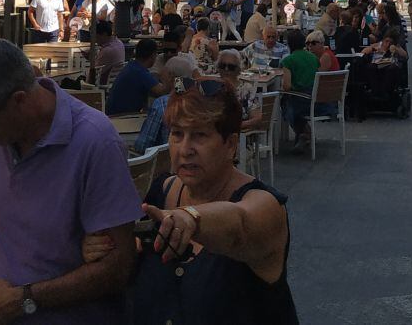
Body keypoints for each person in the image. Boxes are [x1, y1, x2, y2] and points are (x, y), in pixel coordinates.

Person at [0, 39, 141, 324]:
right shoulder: (0, 136)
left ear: (19, 101)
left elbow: (118, 267)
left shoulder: (94, 141)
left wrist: (25, 298)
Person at [85, 77, 299, 325]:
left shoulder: (265, 205)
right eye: (177, 133)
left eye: (200, 135)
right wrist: (102, 248)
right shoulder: (161, 191)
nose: (185, 149)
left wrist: (190, 218)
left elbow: (239, 224)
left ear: (230, 145)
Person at [106, 38, 169, 115]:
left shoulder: (132, 66)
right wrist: (168, 76)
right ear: (153, 55)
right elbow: (162, 92)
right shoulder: (140, 72)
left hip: (113, 112)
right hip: (121, 117)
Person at [279, 29, 318, 151]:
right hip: (318, 100)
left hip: (301, 101)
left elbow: (287, 87)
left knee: (283, 103)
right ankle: (304, 134)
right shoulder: (314, 58)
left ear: (289, 44)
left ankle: (304, 133)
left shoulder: (288, 61)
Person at [93, 19, 126, 84]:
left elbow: (94, 73)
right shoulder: (119, 43)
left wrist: (92, 59)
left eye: (96, 36)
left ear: (104, 34)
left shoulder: (107, 50)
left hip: (100, 84)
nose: (94, 39)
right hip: (114, 81)